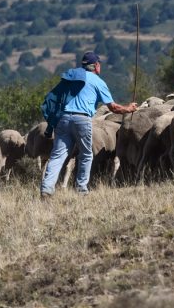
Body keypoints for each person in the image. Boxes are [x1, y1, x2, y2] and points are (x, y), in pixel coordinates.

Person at [39, 51, 137, 198]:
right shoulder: (98, 81)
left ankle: (46, 189)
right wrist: (128, 109)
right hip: (82, 119)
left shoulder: (72, 78)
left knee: (58, 155)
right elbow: (113, 108)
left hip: (63, 119)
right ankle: (81, 189)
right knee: (86, 154)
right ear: (96, 65)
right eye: (99, 64)